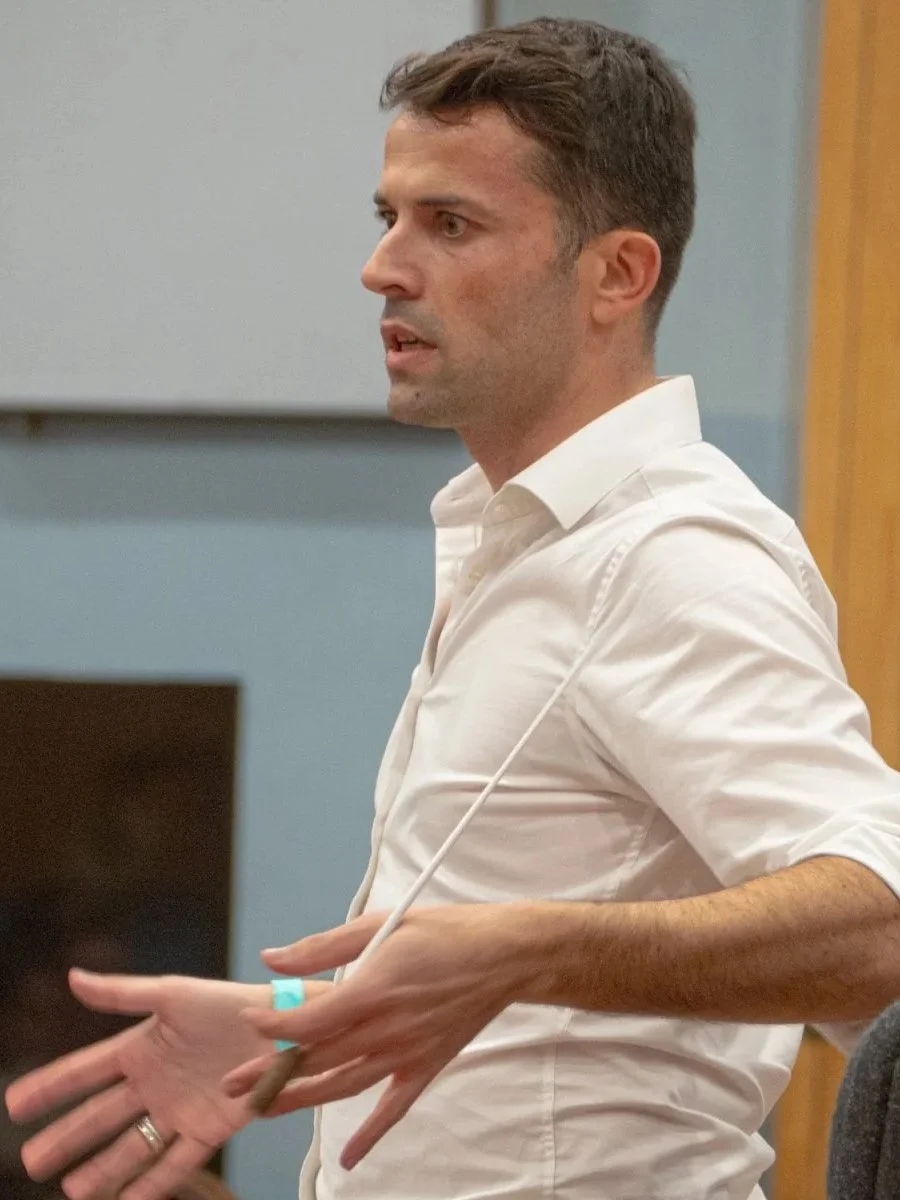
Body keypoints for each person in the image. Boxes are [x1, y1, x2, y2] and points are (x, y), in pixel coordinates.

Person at [7, 16, 900, 1200]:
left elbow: (881, 935)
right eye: (388, 217)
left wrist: (525, 948)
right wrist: (307, 1020)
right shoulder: (514, 537)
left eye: (452, 224)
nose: (383, 266)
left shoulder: (676, 553)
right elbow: (523, 984)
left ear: (617, 275)